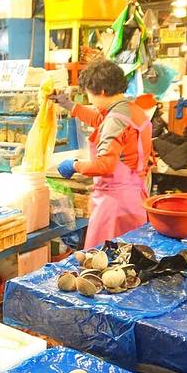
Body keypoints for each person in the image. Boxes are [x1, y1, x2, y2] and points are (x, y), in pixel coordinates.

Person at [53, 60, 152, 249]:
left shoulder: (115, 119)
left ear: (103, 91)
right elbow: (100, 120)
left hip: (114, 205)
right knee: (129, 257)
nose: (90, 100)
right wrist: (69, 105)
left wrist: (74, 165)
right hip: (133, 198)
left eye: (89, 94)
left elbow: (105, 165)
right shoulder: (130, 110)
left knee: (106, 258)